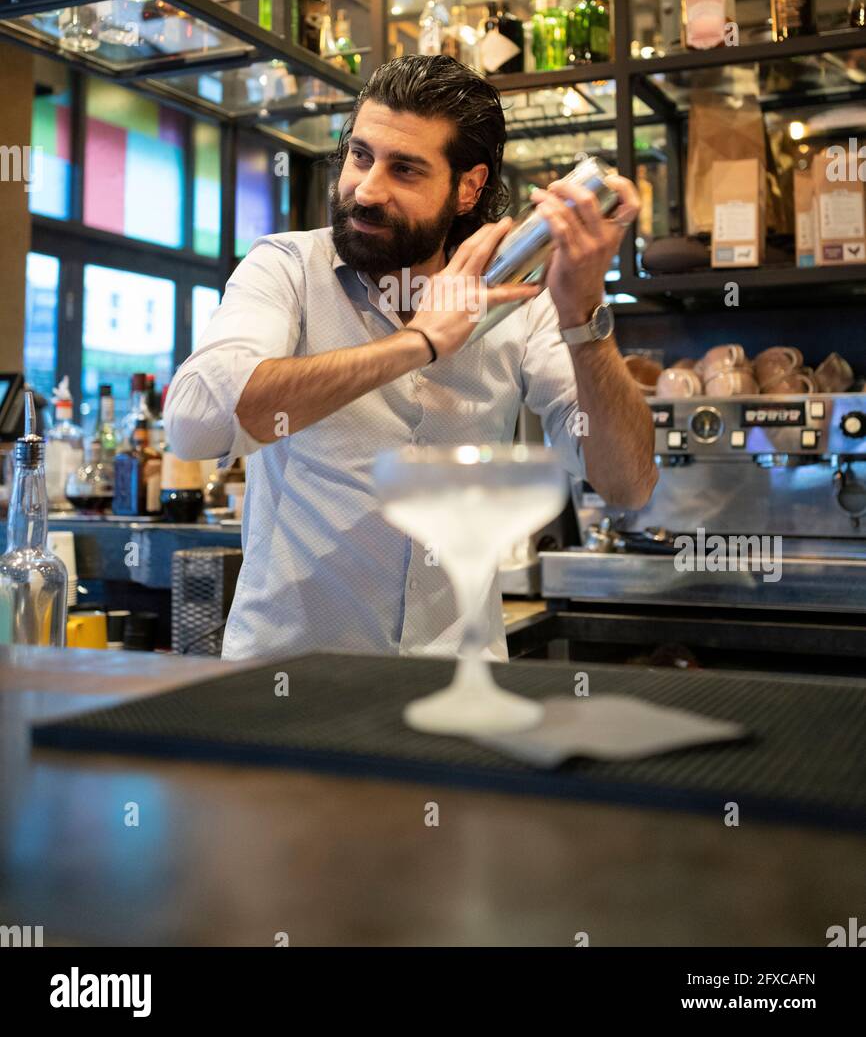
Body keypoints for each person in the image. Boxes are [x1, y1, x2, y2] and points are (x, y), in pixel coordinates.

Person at [165, 54, 656, 660]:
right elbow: (193, 426)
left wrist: (584, 314)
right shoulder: (288, 269)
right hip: (290, 689)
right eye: (360, 156)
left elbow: (627, 483)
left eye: (405, 170)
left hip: (459, 689)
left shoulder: (518, 302)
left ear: (468, 187)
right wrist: (417, 343)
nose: (366, 190)